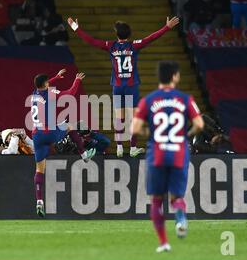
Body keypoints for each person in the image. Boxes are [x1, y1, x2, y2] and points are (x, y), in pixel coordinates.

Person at [67, 16, 180, 158]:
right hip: (131, 86)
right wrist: (167, 27)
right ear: (129, 34)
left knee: (119, 119)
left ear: (117, 34)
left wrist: (75, 28)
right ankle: (132, 148)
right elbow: (151, 38)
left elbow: (92, 41)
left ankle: (120, 147)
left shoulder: (111, 46)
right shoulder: (134, 45)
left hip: (117, 86)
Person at [130, 61, 204, 253]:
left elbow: (134, 129)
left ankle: (164, 243)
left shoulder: (148, 100)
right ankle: (180, 218)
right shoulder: (185, 99)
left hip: (157, 153)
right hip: (179, 152)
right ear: (174, 76)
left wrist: (150, 132)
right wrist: (185, 135)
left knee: (156, 200)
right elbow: (200, 124)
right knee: (177, 196)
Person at [30, 69, 96, 217]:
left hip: (36, 135)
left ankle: (39, 201)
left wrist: (56, 77)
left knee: (39, 170)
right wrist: (77, 80)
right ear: (45, 84)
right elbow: (70, 93)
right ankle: (84, 154)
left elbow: (43, 85)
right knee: (70, 126)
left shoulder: (34, 94)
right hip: (50, 132)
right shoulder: (50, 93)